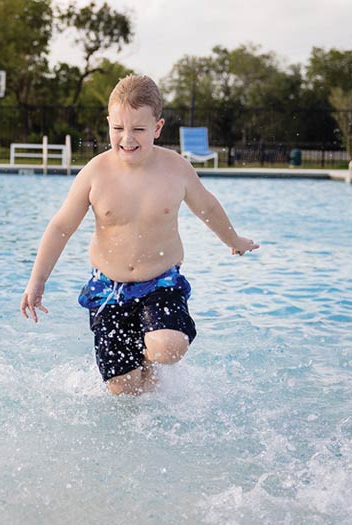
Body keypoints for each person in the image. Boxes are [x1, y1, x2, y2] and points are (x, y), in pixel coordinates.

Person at [20, 74, 258, 396]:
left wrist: (235, 241)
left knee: (168, 348)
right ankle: (136, 369)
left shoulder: (176, 169)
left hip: (161, 283)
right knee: (125, 390)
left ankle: (149, 358)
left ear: (158, 128)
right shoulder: (95, 173)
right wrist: (38, 281)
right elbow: (62, 227)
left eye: (139, 130)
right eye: (118, 129)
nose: (127, 138)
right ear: (108, 124)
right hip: (109, 290)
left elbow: (207, 207)